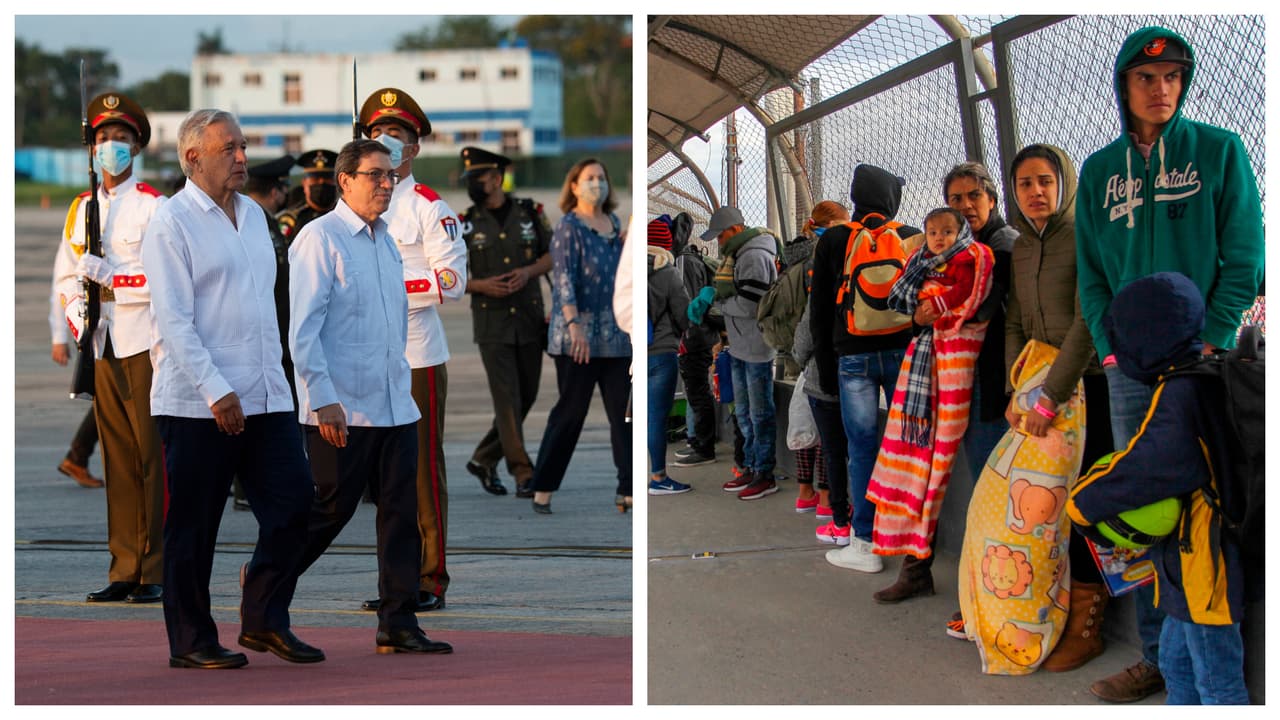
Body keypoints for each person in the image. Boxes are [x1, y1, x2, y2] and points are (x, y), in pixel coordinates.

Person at [1074, 26, 1264, 703]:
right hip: (1130, 370)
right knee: (1147, 512)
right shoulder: (1099, 171)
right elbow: (1091, 275)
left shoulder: (1219, 150)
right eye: (1146, 78)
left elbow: (1246, 258)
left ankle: (1214, 659)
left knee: (1207, 511)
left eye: (1173, 77)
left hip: (1205, 368)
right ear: (1123, 86)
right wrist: (1111, 346)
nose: (1161, 89)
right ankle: (1157, 659)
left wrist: (1210, 341)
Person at [142, 108, 318, 669]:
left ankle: (264, 617)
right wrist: (216, 391)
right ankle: (191, 640)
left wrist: (281, 383)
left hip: (265, 395)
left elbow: (267, 309)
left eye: (242, 147)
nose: (243, 158)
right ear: (193, 158)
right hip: (199, 403)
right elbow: (174, 321)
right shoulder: (171, 223)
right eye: (229, 149)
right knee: (194, 528)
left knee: (296, 505)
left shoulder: (254, 216)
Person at [284, 138, 452, 655]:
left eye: (390, 175)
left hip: (393, 403)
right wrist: (322, 398)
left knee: (401, 514)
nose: (386, 183)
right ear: (345, 181)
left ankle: (398, 621)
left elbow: (393, 322)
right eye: (375, 175)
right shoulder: (320, 239)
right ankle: (268, 575)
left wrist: (399, 384)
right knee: (330, 510)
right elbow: (303, 332)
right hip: (343, 406)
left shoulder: (386, 241)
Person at [953, 144, 1113, 674]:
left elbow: (1088, 321)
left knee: (1085, 504)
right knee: (1032, 511)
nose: (1036, 192)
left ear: (1063, 183)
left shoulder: (1085, 236)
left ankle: (1088, 625)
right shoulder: (1023, 247)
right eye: (1025, 183)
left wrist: (1049, 396)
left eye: (1045, 180)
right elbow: (1017, 320)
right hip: (1039, 393)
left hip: (1088, 390)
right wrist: (1016, 390)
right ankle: (1035, 612)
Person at [1068, 271, 1250, 704]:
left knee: (1217, 684)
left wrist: (1081, 504)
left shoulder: (1179, 393)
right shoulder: (1208, 372)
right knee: (1176, 664)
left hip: (1205, 566)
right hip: (1189, 566)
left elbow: (1145, 468)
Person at [357, 88, 468, 614]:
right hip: (366, 355)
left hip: (415, 356)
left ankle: (429, 577)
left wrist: (392, 289)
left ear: (413, 148)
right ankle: (394, 581)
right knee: (382, 481)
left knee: (421, 473)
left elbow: (451, 280)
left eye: (396, 135)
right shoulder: (351, 207)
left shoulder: (428, 207)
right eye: (377, 134)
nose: (386, 143)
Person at [53, 92, 166, 604]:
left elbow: (165, 281)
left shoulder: (153, 206)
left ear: (137, 147)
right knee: (118, 460)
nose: (111, 147)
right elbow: (67, 272)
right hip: (100, 341)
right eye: (103, 139)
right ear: (91, 147)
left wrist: (113, 280)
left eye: (121, 138)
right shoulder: (82, 208)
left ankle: (154, 567)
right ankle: (124, 566)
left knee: (150, 458)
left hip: (144, 341)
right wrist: (78, 313)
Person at [865, 207, 994, 593]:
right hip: (935, 365)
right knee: (917, 463)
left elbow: (973, 303)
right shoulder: (926, 259)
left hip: (979, 378)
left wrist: (936, 311)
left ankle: (983, 586)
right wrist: (924, 315)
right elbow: (911, 305)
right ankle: (916, 566)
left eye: (974, 195)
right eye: (957, 198)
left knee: (974, 481)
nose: (967, 203)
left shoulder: (984, 253)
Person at [809, 164, 918, 572]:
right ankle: (910, 540)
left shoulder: (834, 239)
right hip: (903, 352)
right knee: (907, 446)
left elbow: (820, 312)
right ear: (891, 198)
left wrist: (826, 369)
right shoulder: (908, 237)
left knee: (861, 448)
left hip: (852, 357)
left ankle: (865, 543)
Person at [528, 158, 631, 514]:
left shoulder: (613, 224)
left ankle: (627, 487)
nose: (596, 184)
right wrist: (574, 326)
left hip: (615, 336)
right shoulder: (568, 227)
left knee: (624, 413)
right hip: (578, 339)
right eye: (589, 178)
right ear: (573, 186)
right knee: (571, 413)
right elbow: (563, 280)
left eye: (601, 177)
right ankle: (543, 486)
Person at [459, 145, 554, 499]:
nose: (473, 183)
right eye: (469, 178)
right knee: (506, 399)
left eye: (478, 177)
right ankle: (523, 471)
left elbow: (552, 255)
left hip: (528, 317)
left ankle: (484, 458)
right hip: (491, 323)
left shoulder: (530, 213)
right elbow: (450, 275)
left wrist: (528, 272)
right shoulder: (465, 222)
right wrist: (480, 285)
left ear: (497, 178)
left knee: (526, 396)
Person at [689, 205, 781, 501]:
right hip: (742, 345)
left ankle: (764, 473)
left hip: (756, 347)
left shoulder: (753, 256)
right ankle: (751, 466)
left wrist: (716, 305)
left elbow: (750, 305)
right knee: (744, 413)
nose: (719, 242)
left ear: (735, 229)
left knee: (759, 413)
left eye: (720, 235)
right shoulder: (738, 255)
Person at [786, 201, 849, 533]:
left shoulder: (793, 258)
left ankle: (805, 493)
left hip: (807, 362)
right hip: (832, 359)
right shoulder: (832, 255)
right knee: (830, 437)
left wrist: (799, 356)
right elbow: (815, 317)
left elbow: (805, 320)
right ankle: (829, 501)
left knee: (804, 426)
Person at [669, 212, 720, 469]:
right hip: (700, 337)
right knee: (697, 393)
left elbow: (687, 306)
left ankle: (703, 447)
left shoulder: (683, 262)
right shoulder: (691, 259)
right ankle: (698, 441)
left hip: (694, 339)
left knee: (698, 394)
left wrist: (684, 335)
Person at [647, 216, 692, 496]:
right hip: (662, 353)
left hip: (633, 354)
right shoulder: (668, 273)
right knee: (656, 417)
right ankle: (659, 477)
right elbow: (684, 316)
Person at [49, 254, 103, 488]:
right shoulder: (76, 230)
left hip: (112, 325)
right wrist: (59, 336)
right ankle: (77, 456)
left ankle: (77, 457)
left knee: (108, 399)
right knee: (108, 399)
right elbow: (62, 281)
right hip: (94, 326)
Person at [277, 149, 338, 239]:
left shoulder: (345, 216)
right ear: (304, 183)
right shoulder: (292, 220)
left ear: (337, 182)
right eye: (315, 180)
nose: (321, 183)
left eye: (327, 179)